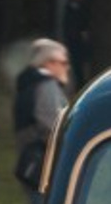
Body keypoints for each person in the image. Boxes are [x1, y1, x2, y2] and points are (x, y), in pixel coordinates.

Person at [12, 39, 71, 194]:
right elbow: (51, 125)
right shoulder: (46, 86)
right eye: (63, 63)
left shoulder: (28, 85)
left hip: (30, 162)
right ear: (49, 63)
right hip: (45, 164)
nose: (67, 67)